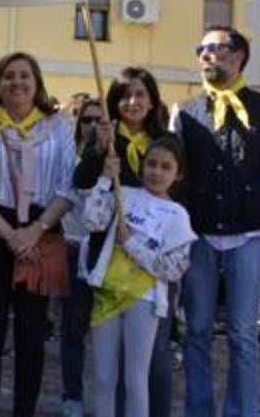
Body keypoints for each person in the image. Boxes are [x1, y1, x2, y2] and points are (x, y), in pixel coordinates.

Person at [170, 26, 260, 417]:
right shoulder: (183, 112)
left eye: (215, 48)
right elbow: (177, 173)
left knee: (241, 333)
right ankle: (198, 409)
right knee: (197, 329)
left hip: (249, 235)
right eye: (200, 48)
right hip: (199, 234)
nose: (205, 55)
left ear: (238, 57)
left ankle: (241, 411)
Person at [0, 53, 77, 417]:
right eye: (8, 76)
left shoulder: (58, 128)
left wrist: (35, 231)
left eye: (25, 76)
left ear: (37, 83)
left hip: (42, 231)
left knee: (31, 337)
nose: (17, 82)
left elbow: (67, 188)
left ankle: (24, 411)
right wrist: (12, 235)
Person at [74, 67, 174, 417]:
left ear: (151, 100)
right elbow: (82, 181)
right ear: (114, 101)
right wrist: (99, 153)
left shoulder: (164, 140)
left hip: (150, 263)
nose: (132, 102)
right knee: (106, 363)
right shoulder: (105, 136)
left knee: (151, 359)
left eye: (140, 94)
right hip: (110, 260)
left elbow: (171, 193)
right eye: (124, 95)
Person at [80, 135, 196, 417]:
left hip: (144, 301)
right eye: (151, 164)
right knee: (104, 378)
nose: (156, 172)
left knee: (135, 380)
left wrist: (131, 244)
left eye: (166, 167)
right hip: (107, 294)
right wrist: (106, 180)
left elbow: (173, 269)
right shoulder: (125, 194)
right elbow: (91, 221)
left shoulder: (177, 215)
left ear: (177, 174)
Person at [58, 97, 104, 417]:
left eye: (99, 121)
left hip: (106, 252)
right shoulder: (66, 156)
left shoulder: (114, 157)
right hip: (73, 250)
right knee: (72, 330)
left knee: (106, 333)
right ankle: (72, 395)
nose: (92, 126)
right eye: (86, 120)